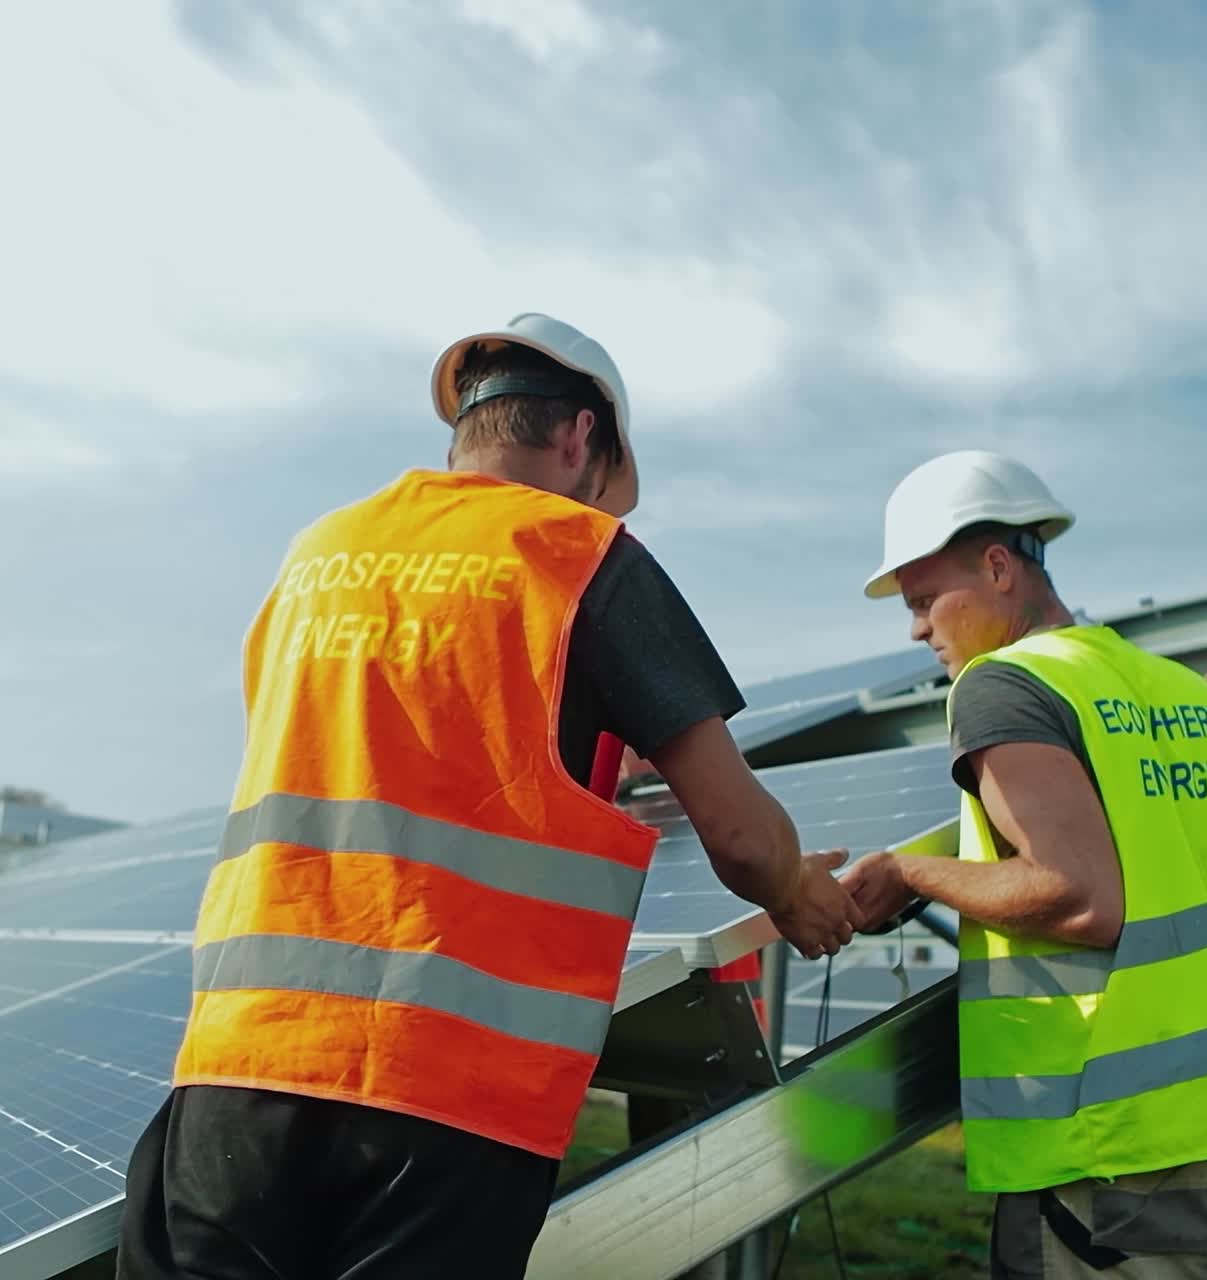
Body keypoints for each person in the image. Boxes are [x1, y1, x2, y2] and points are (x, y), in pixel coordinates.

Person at [115, 312, 859, 1279]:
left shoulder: (315, 556)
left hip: (242, 1065)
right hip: (450, 1110)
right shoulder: (581, 554)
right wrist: (803, 896)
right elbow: (743, 838)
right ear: (580, 437)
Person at [846, 449, 1207, 1279]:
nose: (915, 628)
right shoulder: (1179, 689)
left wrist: (909, 873)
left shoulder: (1000, 686)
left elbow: (1077, 893)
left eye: (925, 599)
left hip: (1120, 1154)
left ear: (1000, 567)